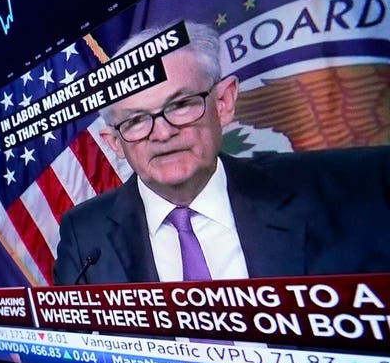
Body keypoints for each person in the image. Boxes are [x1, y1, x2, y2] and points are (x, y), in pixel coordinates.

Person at [52, 20, 390, 285]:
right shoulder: (84, 236)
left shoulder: (346, 190)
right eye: (136, 120)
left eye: (181, 104)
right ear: (114, 142)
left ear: (223, 103)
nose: (163, 133)